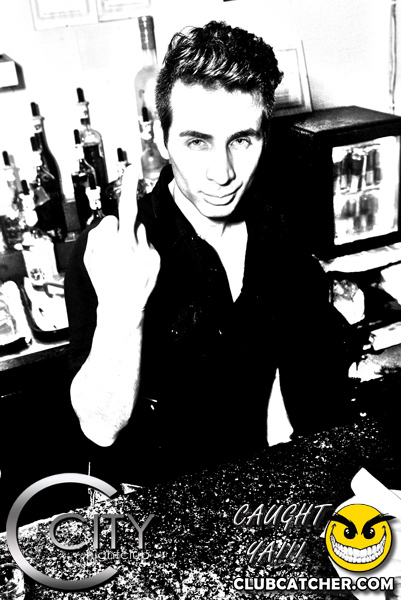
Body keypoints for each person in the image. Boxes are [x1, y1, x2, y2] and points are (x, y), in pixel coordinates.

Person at [64, 20, 354, 489]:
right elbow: (100, 427)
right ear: (161, 137)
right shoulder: (115, 247)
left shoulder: (280, 236)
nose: (222, 173)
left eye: (241, 141)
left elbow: (302, 390)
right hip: (151, 507)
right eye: (197, 142)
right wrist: (124, 312)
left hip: (253, 494)